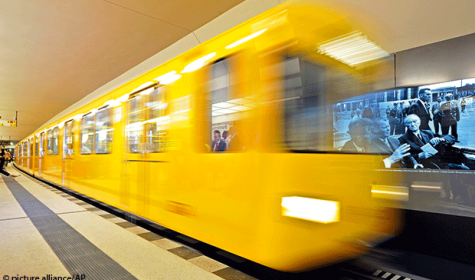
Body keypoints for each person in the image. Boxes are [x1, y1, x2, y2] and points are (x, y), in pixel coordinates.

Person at [398, 114, 467, 169]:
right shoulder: (403, 139)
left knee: (465, 168)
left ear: (419, 122)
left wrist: (442, 139)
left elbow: (451, 137)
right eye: (409, 123)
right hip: (426, 166)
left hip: (441, 162)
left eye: (414, 121)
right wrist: (419, 156)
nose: (413, 124)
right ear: (406, 125)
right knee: (464, 170)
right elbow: (405, 158)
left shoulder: (428, 133)